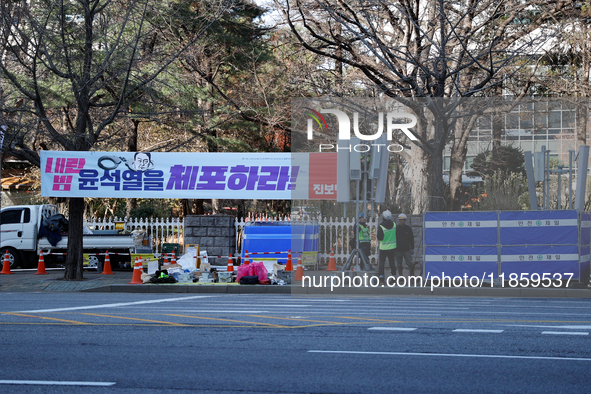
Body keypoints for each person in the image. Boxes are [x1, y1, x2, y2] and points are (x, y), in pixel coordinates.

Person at [377, 210, 397, 281]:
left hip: (383, 248)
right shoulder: (394, 225)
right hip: (392, 247)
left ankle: (381, 278)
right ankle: (394, 277)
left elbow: (380, 237)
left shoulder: (381, 226)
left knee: (382, 263)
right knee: (392, 263)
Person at [394, 213, 415, 277]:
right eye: (399, 220)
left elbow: (411, 239)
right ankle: (401, 276)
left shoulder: (408, 229)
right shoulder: (396, 229)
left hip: (407, 250)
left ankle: (412, 275)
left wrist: (412, 248)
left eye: (402, 220)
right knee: (399, 264)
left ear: (405, 220)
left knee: (410, 263)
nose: (401, 221)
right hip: (398, 250)